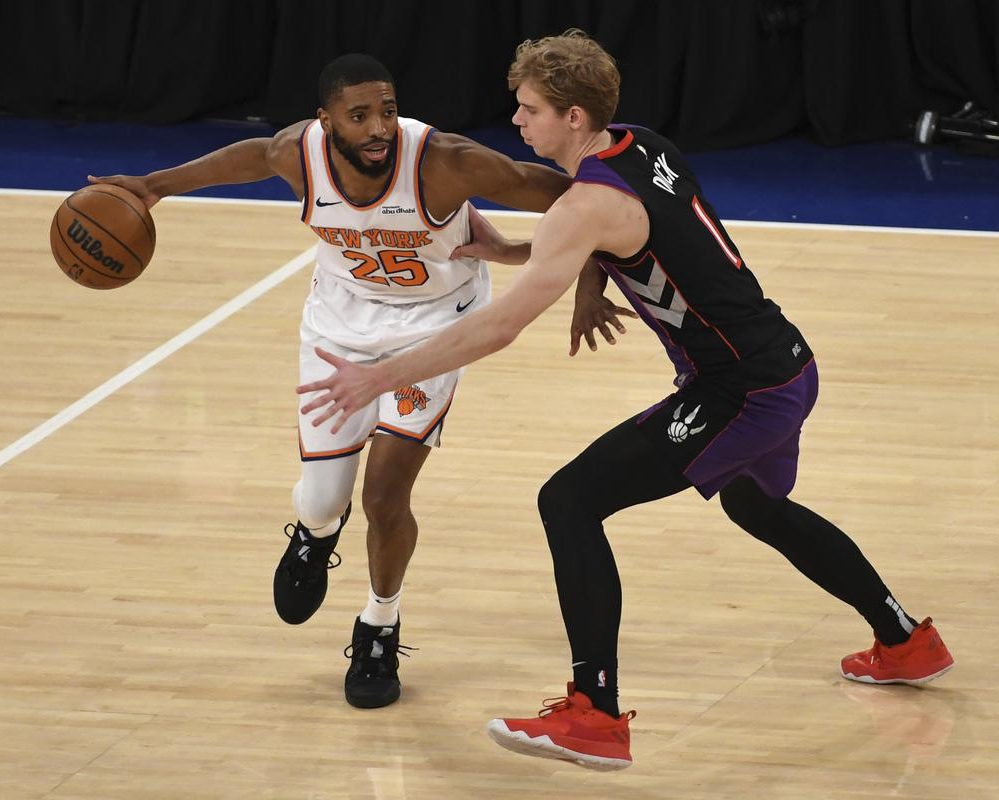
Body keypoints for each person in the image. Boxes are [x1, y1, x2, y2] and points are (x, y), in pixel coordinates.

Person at [295, 30, 955, 769]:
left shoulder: (585, 207)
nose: (517, 122)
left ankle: (596, 714)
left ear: (573, 118)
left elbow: (504, 325)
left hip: (740, 391)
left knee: (569, 501)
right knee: (754, 504)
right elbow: (628, 232)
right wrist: (521, 255)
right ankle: (904, 641)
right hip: (787, 365)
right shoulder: (643, 146)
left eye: (530, 109)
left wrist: (375, 377)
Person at [88, 54, 622, 710]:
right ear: (326, 121)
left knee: (384, 494)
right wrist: (152, 187)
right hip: (337, 330)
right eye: (360, 115)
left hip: (433, 327)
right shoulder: (297, 154)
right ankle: (314, 533)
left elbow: (583, 200)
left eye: (389, 110)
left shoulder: (444, 163)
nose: (379, 127)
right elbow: (251, 156)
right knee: (322, 500)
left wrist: (578, 280)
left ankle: (379, 623)